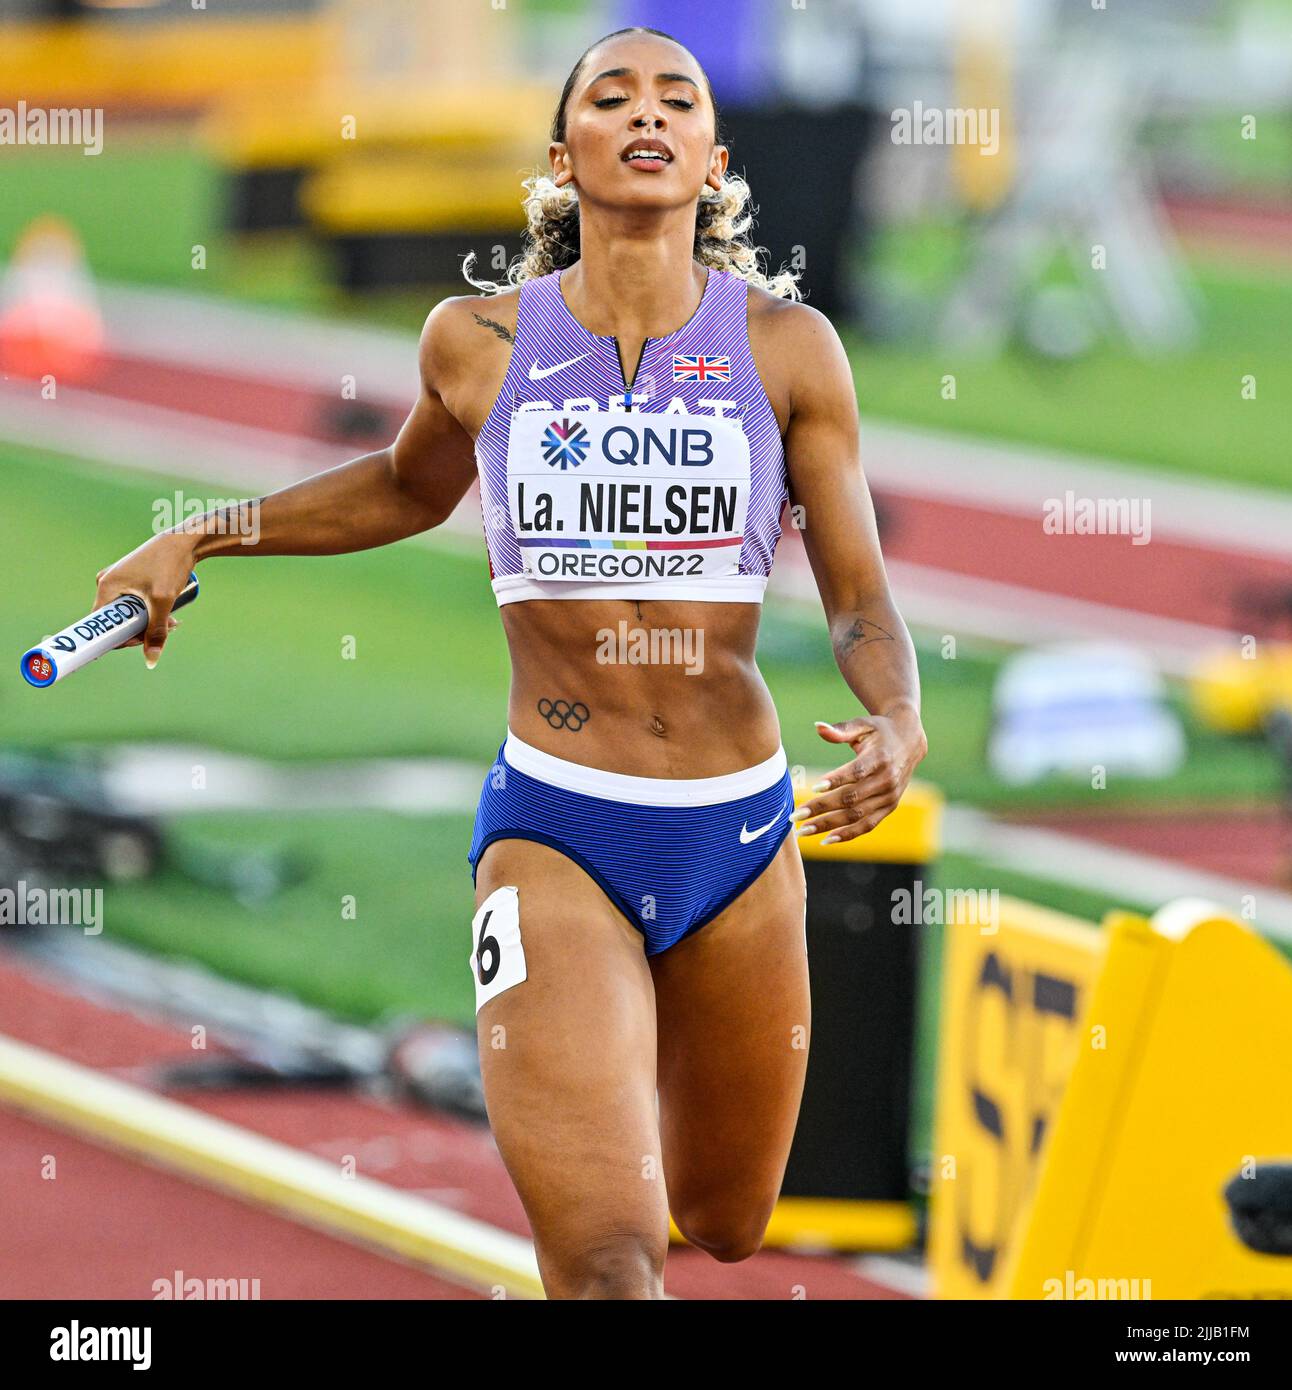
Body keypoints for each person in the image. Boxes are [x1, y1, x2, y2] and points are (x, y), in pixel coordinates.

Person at [95, 26, 927, 1300]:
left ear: (712, 159)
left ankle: (611, 1082)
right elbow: (397, 487)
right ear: (564, 154)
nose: (645, 114)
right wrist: (202, 533)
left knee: (726, 1214)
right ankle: (581, 1090)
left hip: (737, 830)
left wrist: (898, 715)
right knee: (605, 1260)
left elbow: (858, 594)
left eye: (676, 100)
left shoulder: (789, 349)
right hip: (558, 827)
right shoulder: (478, 342)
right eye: (612, 96)